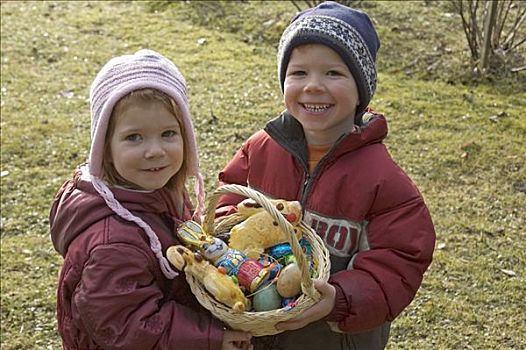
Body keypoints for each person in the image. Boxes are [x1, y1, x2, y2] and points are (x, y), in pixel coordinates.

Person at [216, 2, 436, 349]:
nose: (314, 86)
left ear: (361, 88)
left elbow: (399, 263)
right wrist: (237, 240)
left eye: (333, 73)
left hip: (330, 338)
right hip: (258, 330)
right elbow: (226, 205)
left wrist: (339, 299)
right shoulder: (260, 150)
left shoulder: (382, 180)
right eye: (299, 73)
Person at [50, 49, 253, 350]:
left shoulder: (155, 191)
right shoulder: (113, 243)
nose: (155, 150)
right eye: (134, 137)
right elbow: (127, 327)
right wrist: (209, 338)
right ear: (104, 148)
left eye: (169, 133)